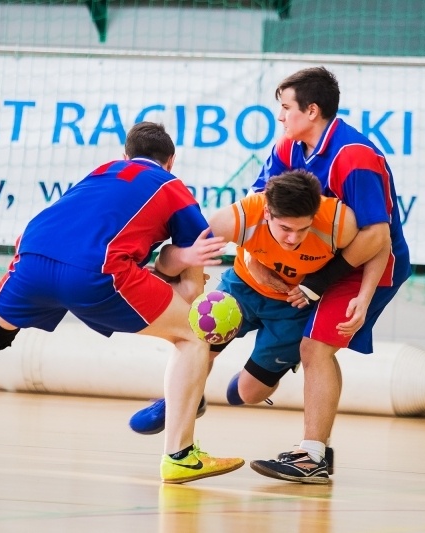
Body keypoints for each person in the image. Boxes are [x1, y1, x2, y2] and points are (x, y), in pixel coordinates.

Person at [0, 122, 245, 485]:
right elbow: (194, 298)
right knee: (194, 336)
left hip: (33, 254)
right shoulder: (173, 188)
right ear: (171, 160)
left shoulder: (101, 172)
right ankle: (180, 455)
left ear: (125, 155)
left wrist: (166, 268)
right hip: (95, 268)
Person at [130, 169, 371, 480]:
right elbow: (175, 254)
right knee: (197, 345)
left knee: (248, 393)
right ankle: (184, 400)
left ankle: (227, 386)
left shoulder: (339, 222)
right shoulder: (238, 217)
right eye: (285, 229)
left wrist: (362, 296)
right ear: (268, 212)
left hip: (292, 307)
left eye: (302, 230)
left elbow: (378, 246)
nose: (293, 239)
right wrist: (181, 282)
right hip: (241, 290)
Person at [247, 66, 412, 484]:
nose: (281, 117)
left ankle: (312, 456)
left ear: (313, 110)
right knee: (297, 355)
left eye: (286, 108)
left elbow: (378, 236)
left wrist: (359, 293)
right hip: (317, 266)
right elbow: (257, 205)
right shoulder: (288, 149)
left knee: (315, 349)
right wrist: (255, 261)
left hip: (368, 264)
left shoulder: (353, 156)